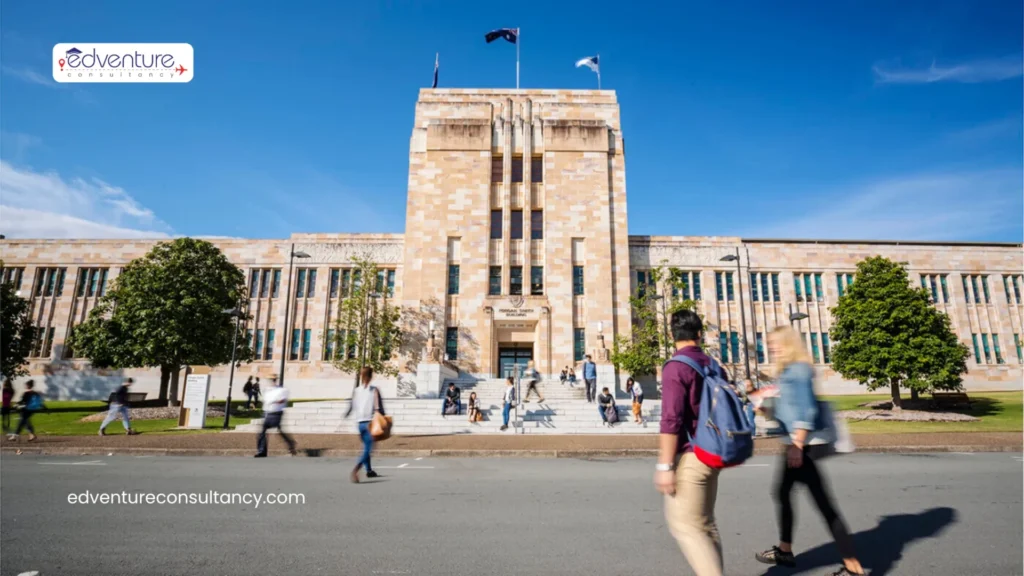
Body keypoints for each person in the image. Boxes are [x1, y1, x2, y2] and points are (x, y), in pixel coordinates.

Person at [754, 327, 864, 576]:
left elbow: (806, 410)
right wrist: (767, 409)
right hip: (795, 444)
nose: (771, 348)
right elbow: (789, 409)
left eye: (775, 343)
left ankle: (854, 567)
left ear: (788, 343)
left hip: (802, 446)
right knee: (783, 493)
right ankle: (785, 549)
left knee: (823, 504)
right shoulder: (788, 371)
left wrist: (797, 446)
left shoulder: (799, 369)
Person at [654, 310, 723, 576]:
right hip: (714, 450)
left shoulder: (676, 366)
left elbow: (671, 419)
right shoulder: (712, 364)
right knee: (705, 525)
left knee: (685, 526)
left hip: (692, 455)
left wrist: (665, 466)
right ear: (699, 334)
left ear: (672, 335)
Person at [346, 366, 384, 482]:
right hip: (370, 422)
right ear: (371, 376)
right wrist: (384, 419)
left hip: (360, 423)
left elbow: (352, 406)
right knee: (369, 448)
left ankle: (369, 470)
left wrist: (346, 414)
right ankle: (356, 469)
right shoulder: (374, 390)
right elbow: (378, 407)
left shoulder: (357, 391)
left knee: (366, 446)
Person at [254, 376, 297, 458]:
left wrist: (275, 402)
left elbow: (283, 400)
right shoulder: (268, 390)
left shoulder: (282, 390)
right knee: (263, 431)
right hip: (267, 413)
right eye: (271, 380)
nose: (272, 381)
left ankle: (290, 443)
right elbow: (265, 401)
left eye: (273, 380)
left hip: (276, 413)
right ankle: (262, 451)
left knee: (276, 430)